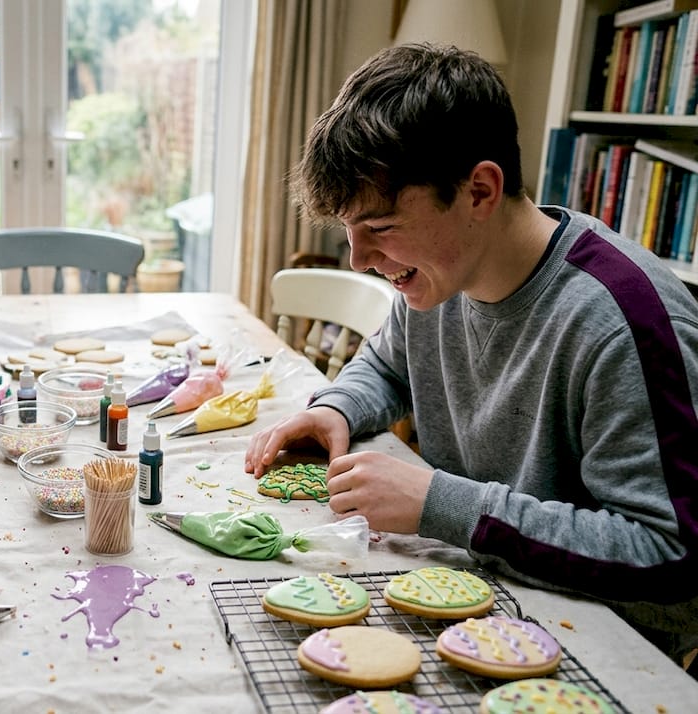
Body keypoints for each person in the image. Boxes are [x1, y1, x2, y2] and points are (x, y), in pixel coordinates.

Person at [244, 43, 698, 673]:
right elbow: (386, 362)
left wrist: (443, 503)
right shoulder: (438, 275)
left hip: (612, 653)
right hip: (479, 602)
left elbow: (671, 556)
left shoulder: (626, 323)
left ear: (480, 191)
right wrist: (339, 408)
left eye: (379, 227)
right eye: (348, 232)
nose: (359, 259)